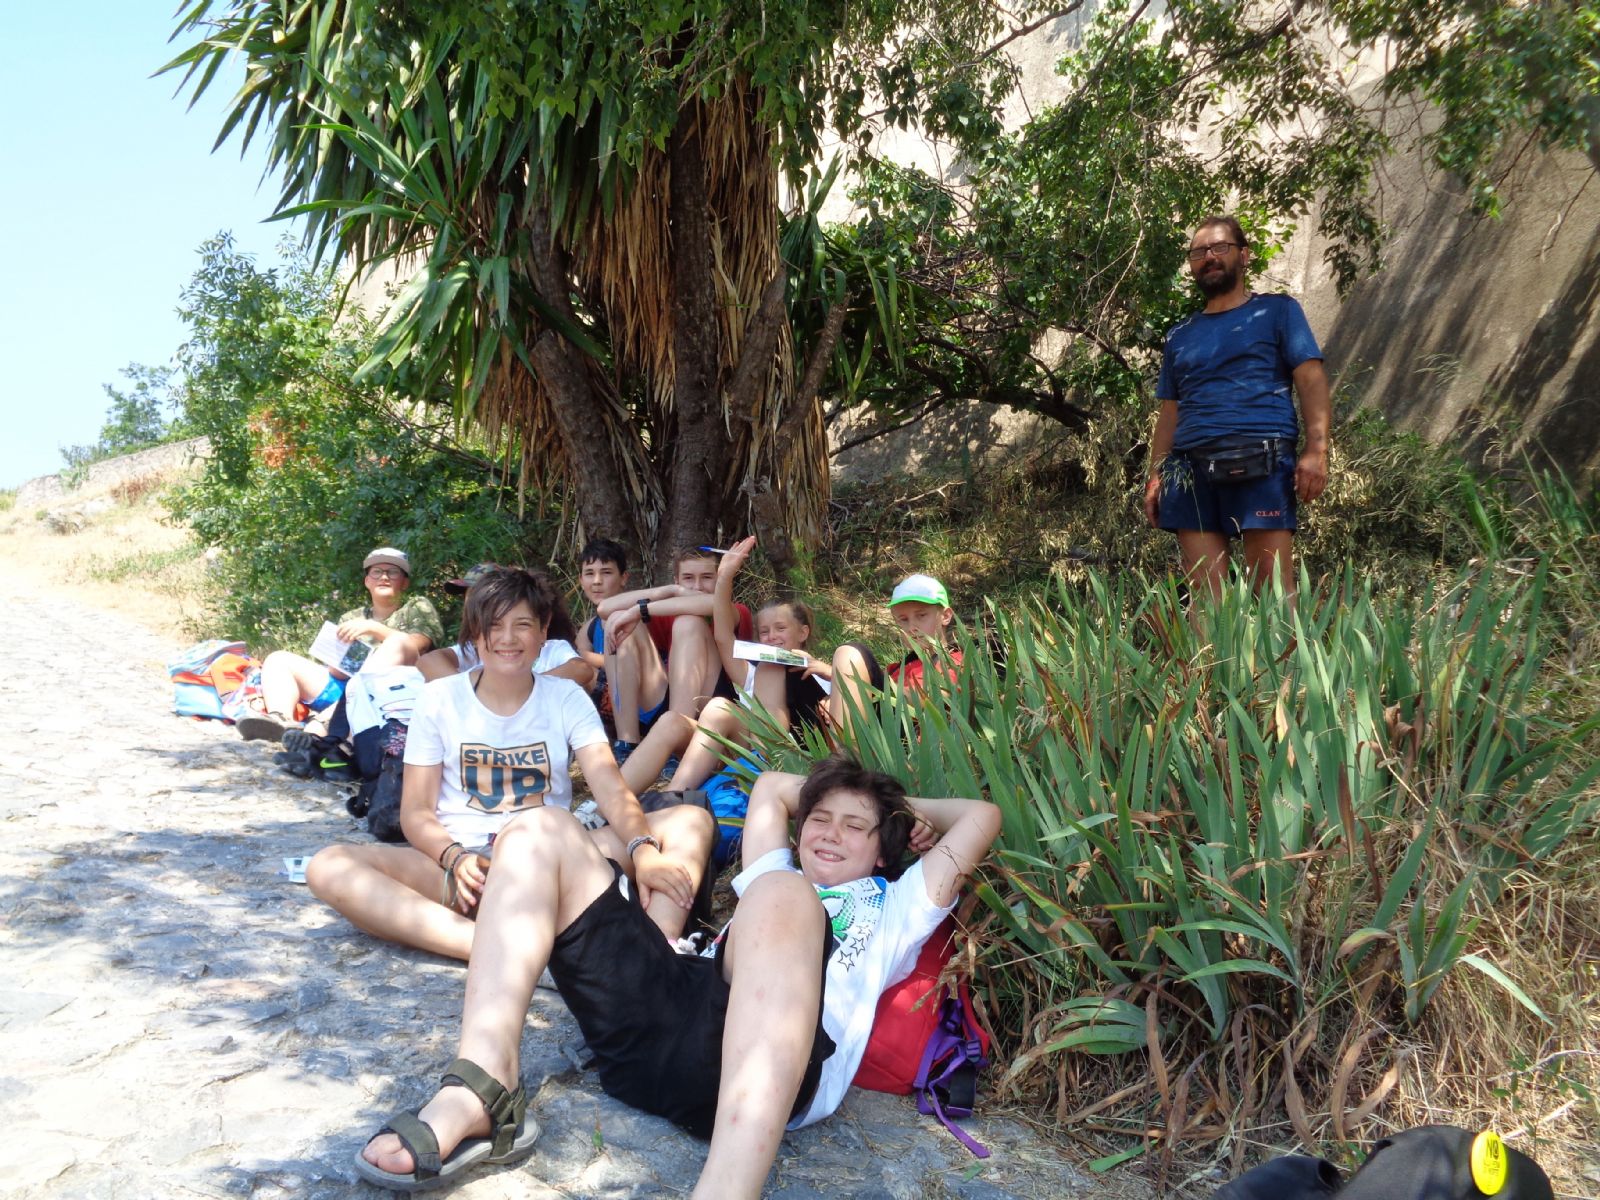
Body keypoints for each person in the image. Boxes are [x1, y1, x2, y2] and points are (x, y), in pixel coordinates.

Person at [352, 754, 1002, 1196]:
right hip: (662, 1025)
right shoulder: (775, 868)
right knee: (537, 829)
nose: (830, 833)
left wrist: (897, 809)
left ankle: (727, 1187)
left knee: (783, 896)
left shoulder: (898, 906)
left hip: (768, 1072)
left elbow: (982, 816)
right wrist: (863, 805)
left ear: (884, 850)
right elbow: (773, 787)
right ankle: (482, 1091)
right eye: (820, 819)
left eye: (855, 827)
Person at [304, 567, 715, 961]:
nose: (507, 639)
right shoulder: (439, 698)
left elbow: (611, 789)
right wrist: (454, 857)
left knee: (690, 820)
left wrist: (642, 849)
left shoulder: (565, 697)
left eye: (522, 625)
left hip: (552, 866)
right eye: (494, 626)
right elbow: (415, 812)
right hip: (465, 869)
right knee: (329, 866)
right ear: (475, 634)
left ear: (542, 631)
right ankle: (503, 952)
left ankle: (658, 954)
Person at [1142, 214, 1332, 598]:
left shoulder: (1278, 311)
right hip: (1189, 470)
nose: (1209, 257)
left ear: (1244, 255)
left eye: (1219, 247)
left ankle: (1282, 645)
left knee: (1271, 591)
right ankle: (1211, 645)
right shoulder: (1180, 335)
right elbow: (1170, 412)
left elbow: (1310, 379)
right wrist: (1156, 474)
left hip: (1261, 458)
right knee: (1205, 595)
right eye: (1199, 252)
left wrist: (1317, 450)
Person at [640, 535, 831, 792]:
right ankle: (665, 796)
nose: (772, 636)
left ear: (803, 632)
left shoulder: (822, 673)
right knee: (707, 711)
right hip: (748, 750)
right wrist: (725, 577)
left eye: (780, 628)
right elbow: (723, 637)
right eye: (764, 632)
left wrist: (829, 673)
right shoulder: (753, 672)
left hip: (799, 759)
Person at [237, 547, 443, 743]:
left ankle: (324, 723)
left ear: (405, 583)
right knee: (279, 659)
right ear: (367, 581)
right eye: (377, 572)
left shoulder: (416, 606)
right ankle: (281, 722)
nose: (384, 577)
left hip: (391, 693)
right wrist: (338, 663)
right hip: (344, 688)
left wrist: (373, 628)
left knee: (397, 643)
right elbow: (337, 672)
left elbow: (418, 644)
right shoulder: (351, 617)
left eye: (393, 572)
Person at [595, 545, 754, 763]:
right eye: (688, 578)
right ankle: (627, 743)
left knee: (688, 623)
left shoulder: (736, 610)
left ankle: (678, 741)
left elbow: (714, 603)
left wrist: (641, 610)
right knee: (617, 619)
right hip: (667, 701)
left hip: (716, 710)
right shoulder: (669, 608)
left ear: (720, 579)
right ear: (677, 580)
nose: (697, 586)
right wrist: (670, 591)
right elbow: (604, 608)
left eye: (707, 577)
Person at [417, 562, 595, 689]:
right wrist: (475, 693)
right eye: (467, 596)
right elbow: (429, 661)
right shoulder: (477, 648)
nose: (470, 603)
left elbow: (581, 669)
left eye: (479, 596)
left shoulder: (551, 649)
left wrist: (519, 692)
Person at [826, 573, 964, 735]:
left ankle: (846, 750)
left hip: (910, 738)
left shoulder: (955, 661)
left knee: (849, 654)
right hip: (883, 729)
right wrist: (835, 701)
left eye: (921, 615)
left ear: (945, 616)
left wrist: (866, 693)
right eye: (903, 620)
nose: (912, 627)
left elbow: (936, 697)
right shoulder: (896, 669)